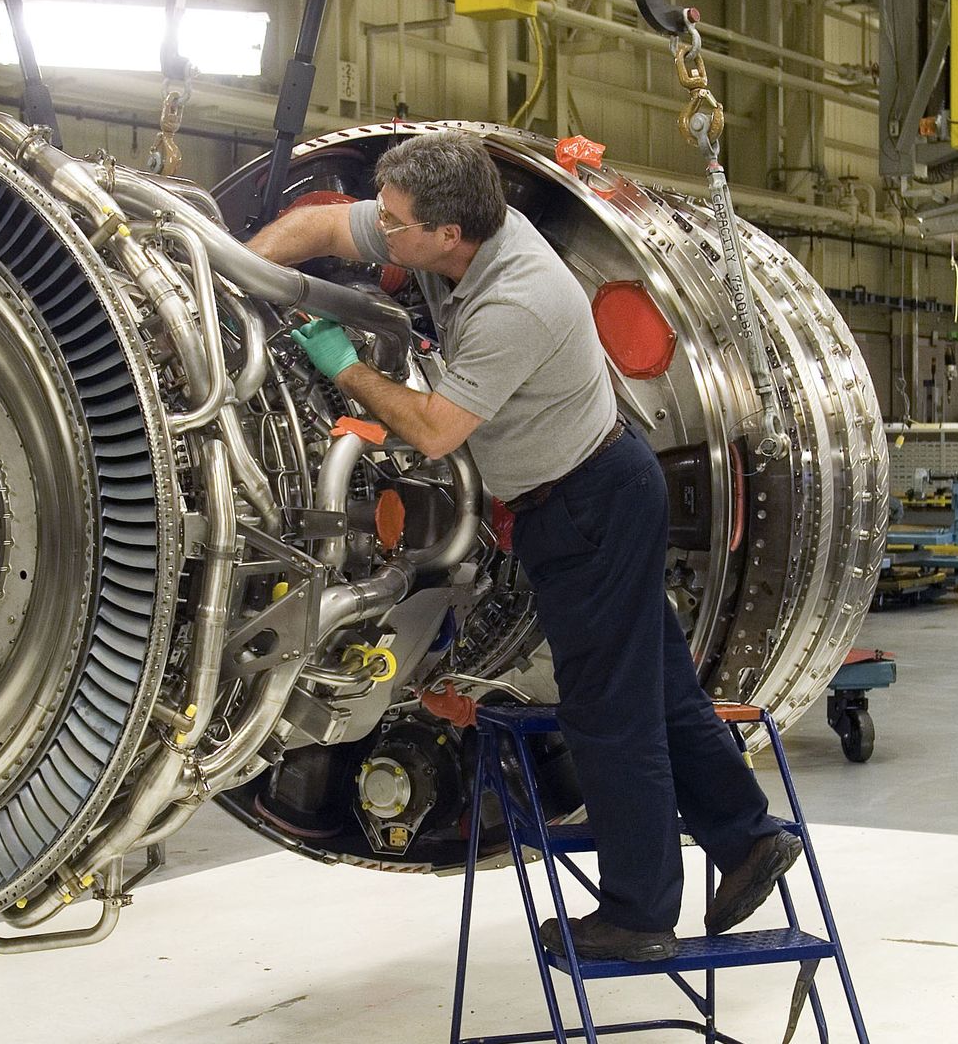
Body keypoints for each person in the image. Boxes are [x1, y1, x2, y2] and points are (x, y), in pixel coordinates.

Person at [245, 130, 800, 962]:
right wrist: (234, 279)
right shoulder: (445, 225)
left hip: (586, 505)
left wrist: (346, 368)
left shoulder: (520, 297)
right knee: (659, 684)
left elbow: (434, 432)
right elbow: (322, 230)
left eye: (396, 227)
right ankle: (748, 837)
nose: (383, 234)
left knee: (609, 716)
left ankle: (639, 914)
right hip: (589, 493)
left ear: (447, 235)